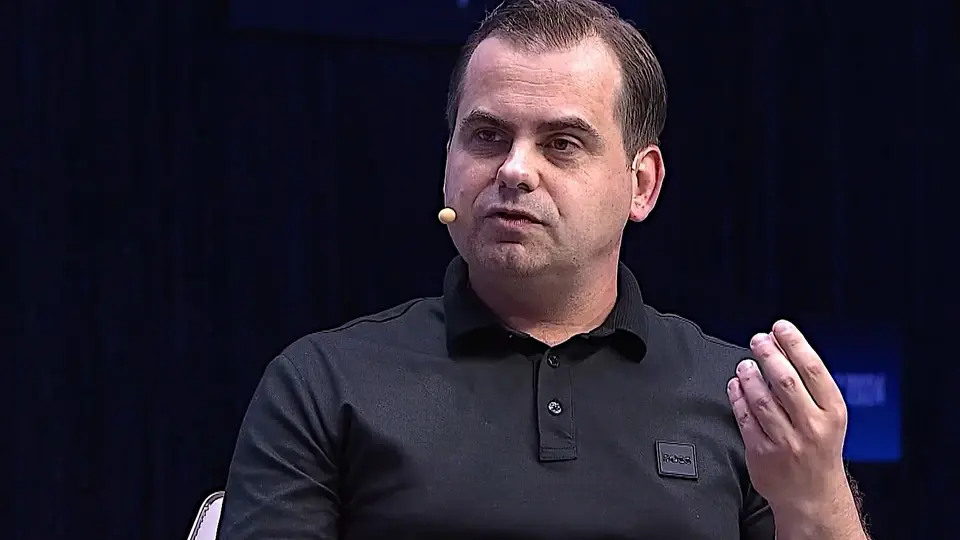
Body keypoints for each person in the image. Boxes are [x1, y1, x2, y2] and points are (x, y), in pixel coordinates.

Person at [217, 1, 869, 539]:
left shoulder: (740, 400)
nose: (514, 170)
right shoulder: (322, 385)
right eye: (487, 136)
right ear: (447, 165)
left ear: (641, 185)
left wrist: (819, 500)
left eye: (561, 143)